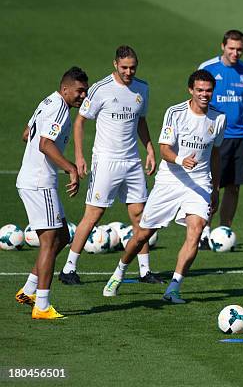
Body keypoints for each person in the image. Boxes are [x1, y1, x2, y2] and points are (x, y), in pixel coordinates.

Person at [102, 70, 225, 303]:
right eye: (199, 90)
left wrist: (215, 189)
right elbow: (165, 149)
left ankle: (174, 288)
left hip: (199, 183)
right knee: (143, 234)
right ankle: (118, 273)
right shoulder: (175, 113)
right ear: (191, 90)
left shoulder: (219, 118)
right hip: (170, 181)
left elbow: (216, 155)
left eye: (208, 90)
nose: (204, 94)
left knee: (196, 230)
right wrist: (181, 160)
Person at [59, 45, 162, 285]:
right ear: (115, 64)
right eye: (124, 67)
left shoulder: (142, 88)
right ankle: (68, 268)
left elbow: (141, 121)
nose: (129, 72)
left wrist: (148, 149)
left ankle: (145, 271)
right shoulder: (100, 89)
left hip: (132, 162)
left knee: (141, 216)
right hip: (106, 161)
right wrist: (80, 156)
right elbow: (80, 122)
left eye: (133, 67)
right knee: (93, 214)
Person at [14, 67, 89, 319]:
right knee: (49, 241)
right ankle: (42, 306)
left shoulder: (47, 101)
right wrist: (70, 169)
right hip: (39, 182)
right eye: (79, 91)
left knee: (61, 236)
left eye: (85, 91)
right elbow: (45, 144)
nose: (82, 96)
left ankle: (28, 290)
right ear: (65, 88)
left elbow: (27, 134)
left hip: (31, 178)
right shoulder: (59, 108)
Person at [197, 29, 243, 241]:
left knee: (234, 187)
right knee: (212, 184)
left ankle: (223, 232)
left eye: (239, 49)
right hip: (215, 137)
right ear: (223, 46)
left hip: (241, 137)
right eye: (231, 48)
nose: (235, 53)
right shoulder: (208, 68)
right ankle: (204, 232)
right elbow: (197, 103)